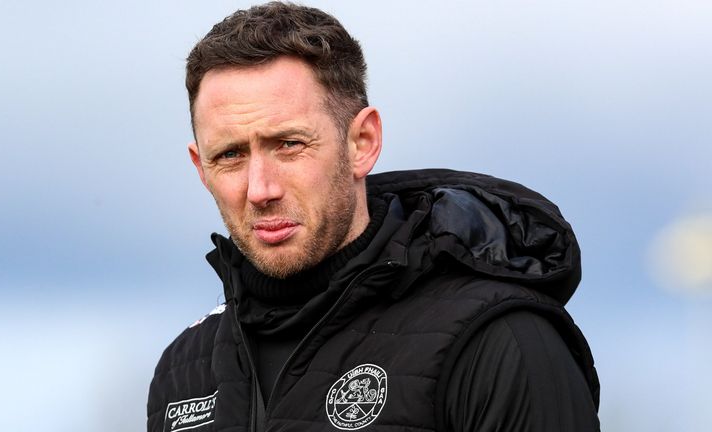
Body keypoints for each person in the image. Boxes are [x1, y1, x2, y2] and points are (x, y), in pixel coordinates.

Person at [147, 3, 600, 432]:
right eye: (230, 155)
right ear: (201, 167)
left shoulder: (499, 340)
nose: (261, 189)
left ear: (362, 142)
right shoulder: (185, 369)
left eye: (289, 145)